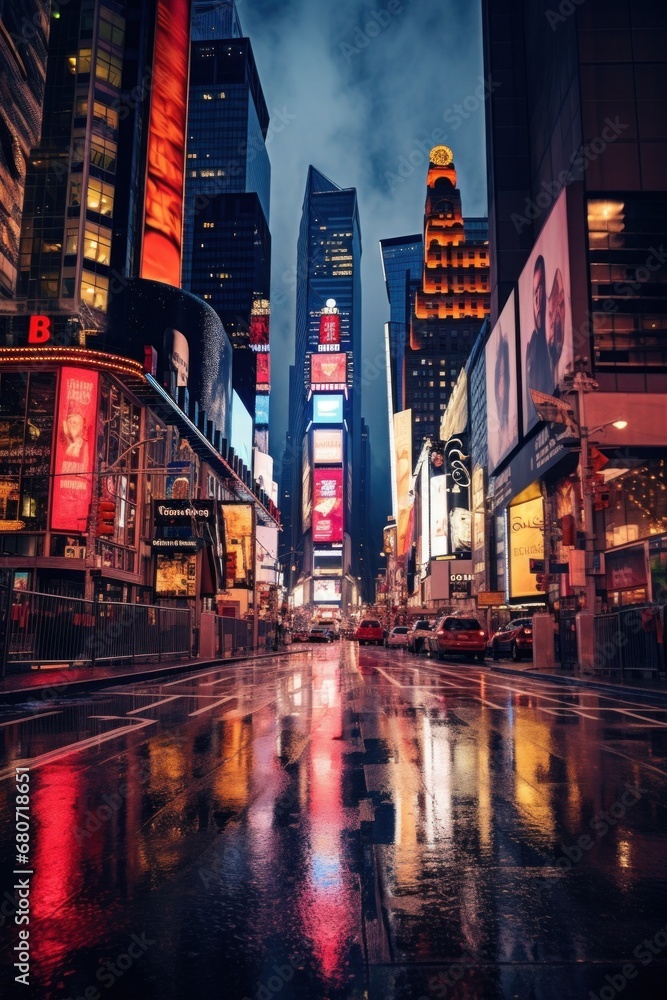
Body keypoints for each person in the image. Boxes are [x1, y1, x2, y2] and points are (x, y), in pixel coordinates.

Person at [525, 255, 552, 424]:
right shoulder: (531, 348)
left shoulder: (557, 335)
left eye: (541, 288)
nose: (538, 299)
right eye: (535, 292)